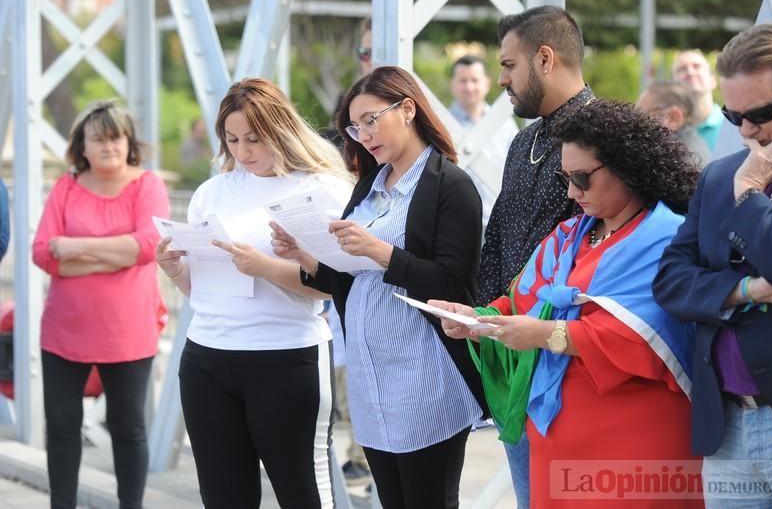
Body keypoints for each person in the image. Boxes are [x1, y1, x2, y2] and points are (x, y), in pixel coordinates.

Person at [432, 99, 703, 508]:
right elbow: (520, 305)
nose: (573, 192)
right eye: (565, 178)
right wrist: (477, 320)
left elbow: (649, 337)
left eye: (582, 178)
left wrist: (543, 334)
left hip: (637, 438)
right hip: (556, 439)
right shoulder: (567, 235)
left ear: (628, 167)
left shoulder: (667, 238)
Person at [271, 65, 487, 509]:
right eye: (355, 125)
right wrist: (305, 254)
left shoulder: (451, 187)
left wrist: (380, 252)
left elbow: (452, 281)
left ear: (407, 109)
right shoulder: (370, 185)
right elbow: (348, 276)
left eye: (372, 119)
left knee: (429, 500)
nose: (363, 134)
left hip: (427, 376)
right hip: (372, 379)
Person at [156, 78, 353, 509]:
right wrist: (177, 271)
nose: (243, 151)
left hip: (287, 360)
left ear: (281, 130)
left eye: (254, 139)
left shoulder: (322, 190)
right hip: (207, 359)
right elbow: (202, 291)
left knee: (304, 494)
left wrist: (266, 268)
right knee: (223, 497)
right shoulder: (212, 193)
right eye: (232, 139)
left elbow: (334, 287)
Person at [653, 23, 772, 508]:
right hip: (728, 424)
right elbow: (671, 280)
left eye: (759, 114)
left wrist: (753, 194)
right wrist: (748, 290)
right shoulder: (719, 176)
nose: (745, 131)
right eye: (731, 114)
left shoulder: (740, 179)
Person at [477, 5, 592, 507]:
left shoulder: (602, 136)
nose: (501, 79)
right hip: (514, 353)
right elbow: (498, 238)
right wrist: (486, 322)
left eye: (509, 65)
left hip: (571, 362)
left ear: (545, 59)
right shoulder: (524, 140)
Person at [32, 100, 170, 509]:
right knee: (61, 428)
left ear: (128, 142)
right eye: (99, 138)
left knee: (128, 427)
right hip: (64, 330)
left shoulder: (148, 185)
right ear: (82, 147)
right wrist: (118, 255)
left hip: (128, 331)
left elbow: (148, 246)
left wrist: (74, 249)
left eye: (116, 137)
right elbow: (42, 253)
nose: (109, 146)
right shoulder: (65, 188)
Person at [448, 54, 519, 228]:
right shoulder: (443, 124)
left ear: (487, 83)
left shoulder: (505, 124)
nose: (469, 87)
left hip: (501, 221)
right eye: (463, 81)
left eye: (474, 80)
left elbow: (518, 167)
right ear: (453, 85)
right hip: (456, 223)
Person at [637, 80, 712, 165]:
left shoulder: (677, 163)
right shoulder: (694, 151)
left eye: (641, 115)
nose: (635, 122)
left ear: (673, 117)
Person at [672, 49, 725, 152]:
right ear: (673, 85)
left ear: (713, 80)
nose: (690, 72)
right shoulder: (667, 131)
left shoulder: (733, 126)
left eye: (696, 66)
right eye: (682, 69)